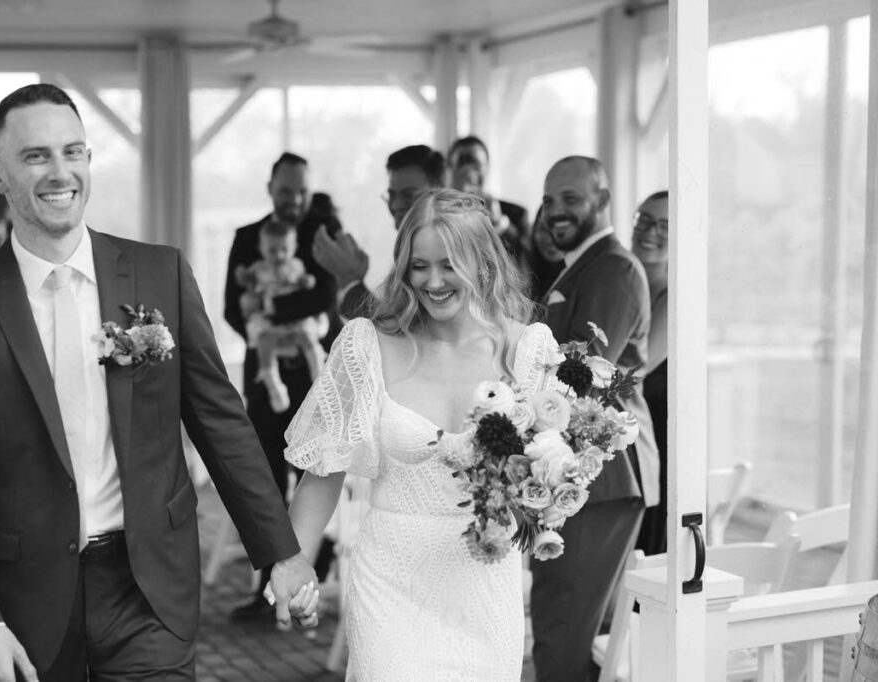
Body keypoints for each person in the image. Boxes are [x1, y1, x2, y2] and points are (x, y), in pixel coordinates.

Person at [0, 83, 317, 682]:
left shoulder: (160, 273)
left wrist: (281, 552)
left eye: (74, 152)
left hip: (148, 591)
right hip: (23, 604)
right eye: (36, 157)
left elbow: (219, 421)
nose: (61, 173)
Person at [278, 188, 563, 680]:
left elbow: (551, 472)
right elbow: (323, 473)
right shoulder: (366, 345)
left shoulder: (530, 351)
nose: (433, 281)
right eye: (418, 266)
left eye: (449, 264)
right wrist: (292, 565)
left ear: (483, 261)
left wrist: (556, 485)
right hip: (391, 585)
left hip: (484, 590)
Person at [530, 156, 659, 681]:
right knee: (575, 631)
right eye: (549, 200)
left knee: (564, 629)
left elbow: (578, 371)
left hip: (597, 473)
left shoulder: (614, 268)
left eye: (571, 199)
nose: (556, 211)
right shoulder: (581, 263)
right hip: (582, 474)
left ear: (603, 202)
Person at [223, 151, 341, 620]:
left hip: (317, 372)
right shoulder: (247, 238)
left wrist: (269, 310)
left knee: (317, 472)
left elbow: (326, 297)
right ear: (270, 188)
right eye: (288, 190)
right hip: (265, 373)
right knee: (267, 480)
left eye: (303, 190)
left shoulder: (322, 235)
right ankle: (266, 590)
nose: (296, 199)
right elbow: (233, 307)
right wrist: (271, 324)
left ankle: (321, 548)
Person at [312, 144, 445, 320]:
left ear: (440, 192)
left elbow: (401, 333)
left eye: (408, 195)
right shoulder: (408, 247)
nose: (396, 205)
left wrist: (349, 280)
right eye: (391, 195)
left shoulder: (444, 249)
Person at [234, 217, 327, 413]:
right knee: (264, 342)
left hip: (295, 319)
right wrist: (243, 276)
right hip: (271, 322)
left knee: (308, 336)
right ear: (261, 248)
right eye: (272, 250)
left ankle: (319, 375)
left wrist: (306, 281)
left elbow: (306, 283)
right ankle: (273, 384)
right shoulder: (259, 269)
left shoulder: (295, 266)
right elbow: (245, 282)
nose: (279, 255)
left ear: (294, 248)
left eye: (285, 249)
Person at [632, 190, 669, 556]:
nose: (649, 231)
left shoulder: (674, 297)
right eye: (643, 220)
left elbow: (635, 370)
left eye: (663, 225)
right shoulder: (628, 281)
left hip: (660, 436)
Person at [447, 135, 530, 264]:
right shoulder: (436, 212)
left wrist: (499, 223)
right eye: (462, 163)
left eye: (476, 163)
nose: (469, 171)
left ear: (487, 168)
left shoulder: (516, 213)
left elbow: (526, 261)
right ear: (449, 170)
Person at [526, 205, 565, 301]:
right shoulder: (526, 276)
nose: (549, 239)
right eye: (543, 229)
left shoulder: (582, 282)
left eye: (559, 229)